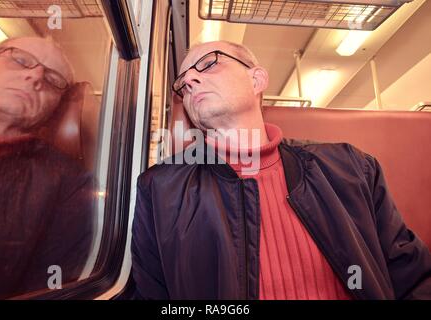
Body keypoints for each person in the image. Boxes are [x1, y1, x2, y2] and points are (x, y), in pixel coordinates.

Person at [129, 40, 431, 300]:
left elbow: (413, 276)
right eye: (182, 83)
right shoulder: (158, 189)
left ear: (257, 80)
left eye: (208, 65)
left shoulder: (352, 167)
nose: (190, 82)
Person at [0, 37, 94, 299]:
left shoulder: (66, 186)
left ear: (55, 106)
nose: (36, 77)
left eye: (53, 80)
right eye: (20, 60)